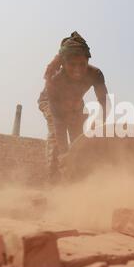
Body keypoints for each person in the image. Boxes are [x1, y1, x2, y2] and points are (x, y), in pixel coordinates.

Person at [38, 31, 109, 183]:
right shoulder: (54, 80)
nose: (78, 69)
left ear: (87, 61)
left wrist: (101, 124)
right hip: (51, 103)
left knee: (79, 141)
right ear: (63, 64)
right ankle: (54, 183)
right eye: (72, 65)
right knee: (57, 142)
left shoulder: (95, 74)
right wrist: (64, 154)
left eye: (82, 64)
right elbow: (59, 121)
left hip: (75, 104)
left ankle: (77, 181)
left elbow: (104, 102)